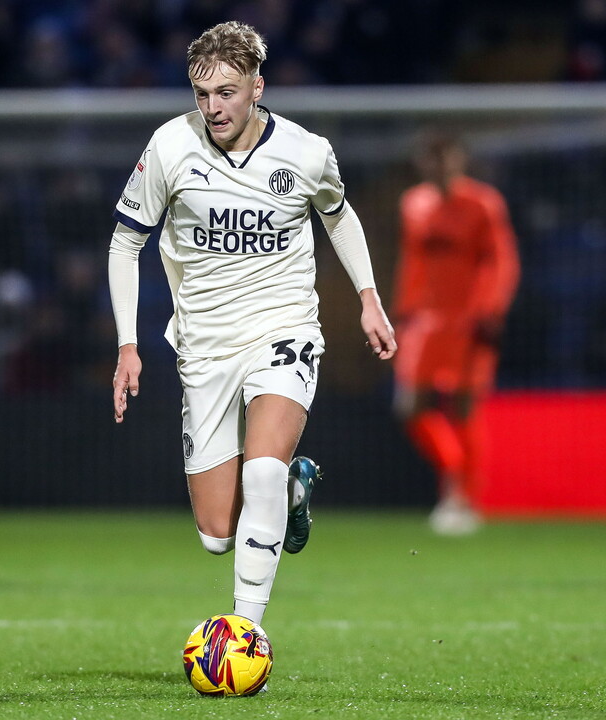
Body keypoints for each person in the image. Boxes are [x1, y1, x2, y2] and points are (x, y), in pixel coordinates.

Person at [108, 21, 396, 629]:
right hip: (204, 344)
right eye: (202, 93)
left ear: (257, 86)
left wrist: (368, 297)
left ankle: (247, 631)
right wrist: (128, 344)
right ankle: (292, 491)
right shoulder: (168, 147)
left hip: (283, 327)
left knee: (260, 469)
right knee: (217, 533)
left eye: (227, 92)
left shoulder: (307, 151)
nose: (213, 108)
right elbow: (124, 243)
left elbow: (339, 218)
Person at [393, 132, 520, 535]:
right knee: (410, 406)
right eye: (432, 159)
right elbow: (412, 261)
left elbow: (501, 260)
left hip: (469, 319)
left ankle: (464, 497)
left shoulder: (483, 203)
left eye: (446, 157)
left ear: (459, 160)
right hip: (425, 320)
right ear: (423, 164)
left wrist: (491, 310)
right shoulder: (413, 204)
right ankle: (454, 473)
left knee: (464, 407)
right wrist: (399, 312)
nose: (440, 166)